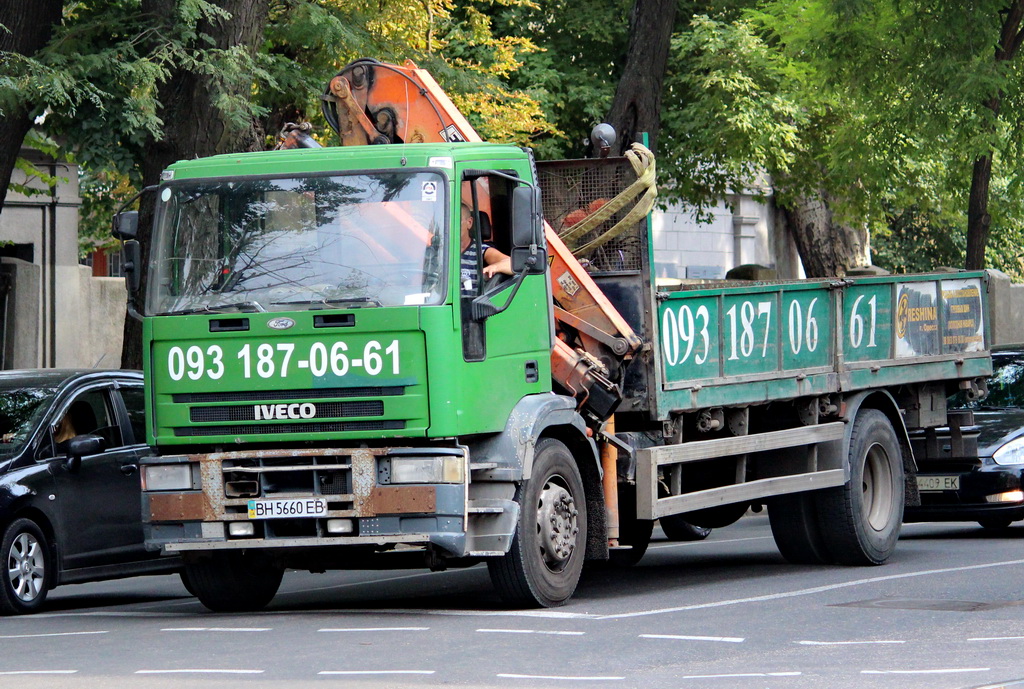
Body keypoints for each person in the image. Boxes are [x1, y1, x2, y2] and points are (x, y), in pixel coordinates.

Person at [460, 203, 511, 293]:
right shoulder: (438, 253)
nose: (450, 226)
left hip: (472, 305)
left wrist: (494, 267)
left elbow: (512, 264)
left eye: (456, 221)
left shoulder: (481, 250)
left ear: (469, 223)